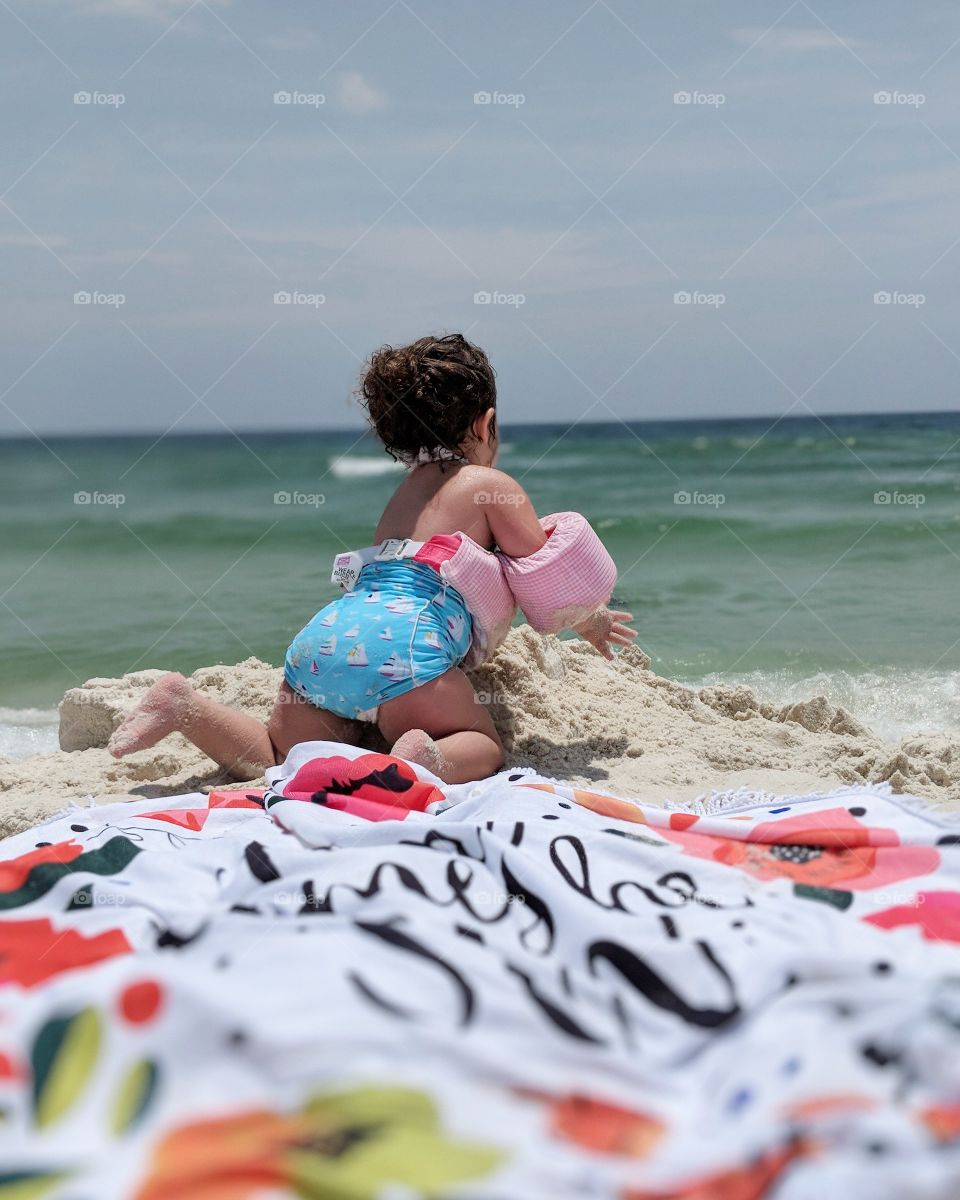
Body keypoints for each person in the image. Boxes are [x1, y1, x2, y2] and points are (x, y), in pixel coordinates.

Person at [109, 333, 636, 783]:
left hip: (324, 642)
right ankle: (423, 757)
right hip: (406, 654)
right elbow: (547, 576)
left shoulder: (403, 497)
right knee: (481, 743)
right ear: (485, 423)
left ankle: (184, 706)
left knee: (279, 757)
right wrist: (590, 619)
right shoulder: (489, 485)